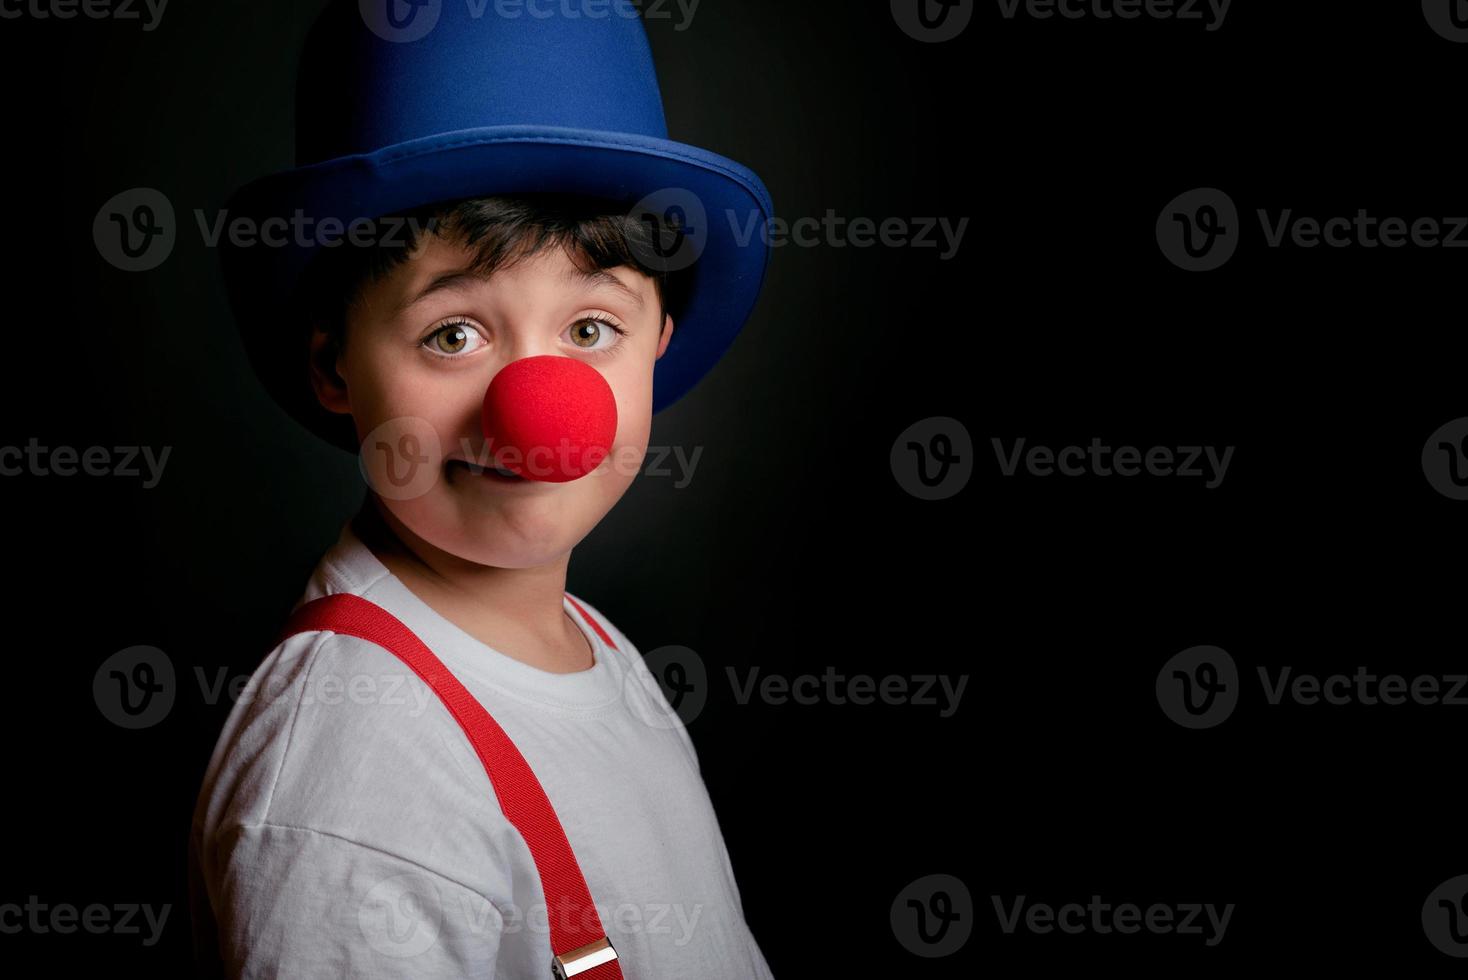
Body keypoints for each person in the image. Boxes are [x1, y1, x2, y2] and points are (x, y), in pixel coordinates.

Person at [186, 1, 775, 976]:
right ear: (334, 368)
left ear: (657, 346)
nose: (536, 412)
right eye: (452, 333)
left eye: (590, 329)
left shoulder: (596, 648)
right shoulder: (359, 788)